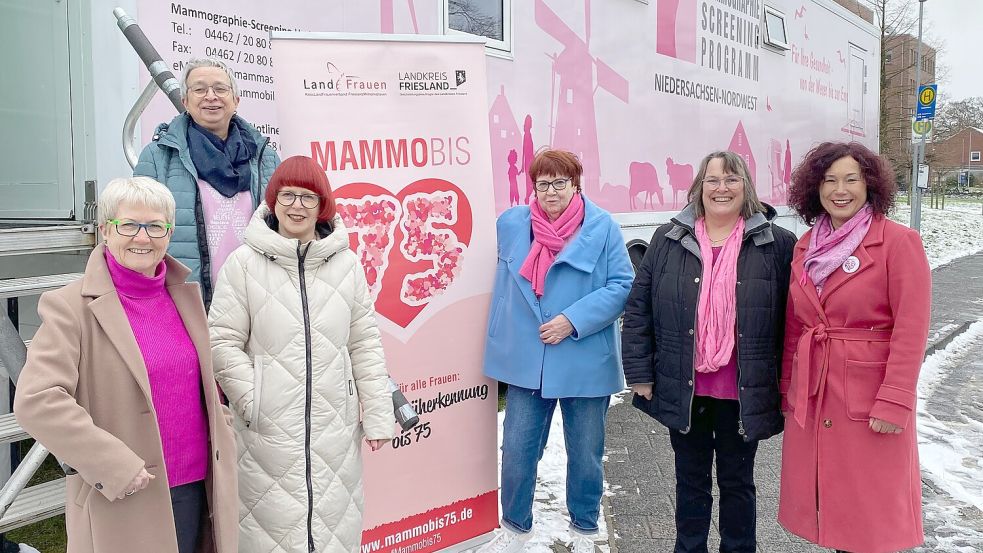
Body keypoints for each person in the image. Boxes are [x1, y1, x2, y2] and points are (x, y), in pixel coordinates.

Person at [13, 177, 238, 553]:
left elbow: (201, 386)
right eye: (129, 225)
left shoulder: (184, 296)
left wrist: (224, 435)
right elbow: (37, 400)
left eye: (155, 226)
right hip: (128, 492)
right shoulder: (70, 307)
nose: (142, 238)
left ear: (169, 232)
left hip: (198, 486)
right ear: (105, 230)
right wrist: (114, 465)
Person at [208, 155, 395, 553]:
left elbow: (364, 342)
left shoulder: (347, 264)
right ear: (273, 201)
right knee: (269, 531)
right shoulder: (243, 264)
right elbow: (221, 341)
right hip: (266, 436)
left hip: (335, 430)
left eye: (308, 197)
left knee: (333, 529)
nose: (297, 206)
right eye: (288, 195)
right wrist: (256, 400)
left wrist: (377, 413)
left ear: (322, 206)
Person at [621, 151, 796, 552]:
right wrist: (640, 375)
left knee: (738, 484)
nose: (721, 188)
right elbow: (639, 307)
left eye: (731, 179)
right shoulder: (668, 239)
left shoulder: (777, 244)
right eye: (712, 180)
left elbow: (792, 322)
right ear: (699, 187)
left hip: (743, 390)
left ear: (746, 187)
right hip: (685, 388)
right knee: (690, 480)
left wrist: (786, 386)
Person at [478, 149, 634, 553]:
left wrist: (572, 319)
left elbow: (622, 285)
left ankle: (585, 529)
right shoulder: (512, 223)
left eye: (559, 183)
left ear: (576, 184)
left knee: (586, 454)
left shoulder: (602, 227)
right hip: (528, 358)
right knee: (516, 449)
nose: (550, 192)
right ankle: (515, 528)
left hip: (582, 355)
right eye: (542, 184)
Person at [778, 142, 930, 553]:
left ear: (870, 185)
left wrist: (896, 400)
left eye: (851, 179)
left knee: (870, 513)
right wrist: (789, 389)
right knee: (828, 507)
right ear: (815, 188)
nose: (839, 190)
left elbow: (911, 329)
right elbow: (797, 324)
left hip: (868, 395)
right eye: (829, 180)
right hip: (818, 389)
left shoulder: (899, 243)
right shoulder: (806, 246)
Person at [134, 57, 280, 307]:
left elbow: (282, 228)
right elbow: (137, 229)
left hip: (257, 301)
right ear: (185, 101)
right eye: (199, 89)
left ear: (236, 100)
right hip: (182, 303)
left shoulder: (264, 156)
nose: (210, 96)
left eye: (221, 89)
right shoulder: (159, 156)